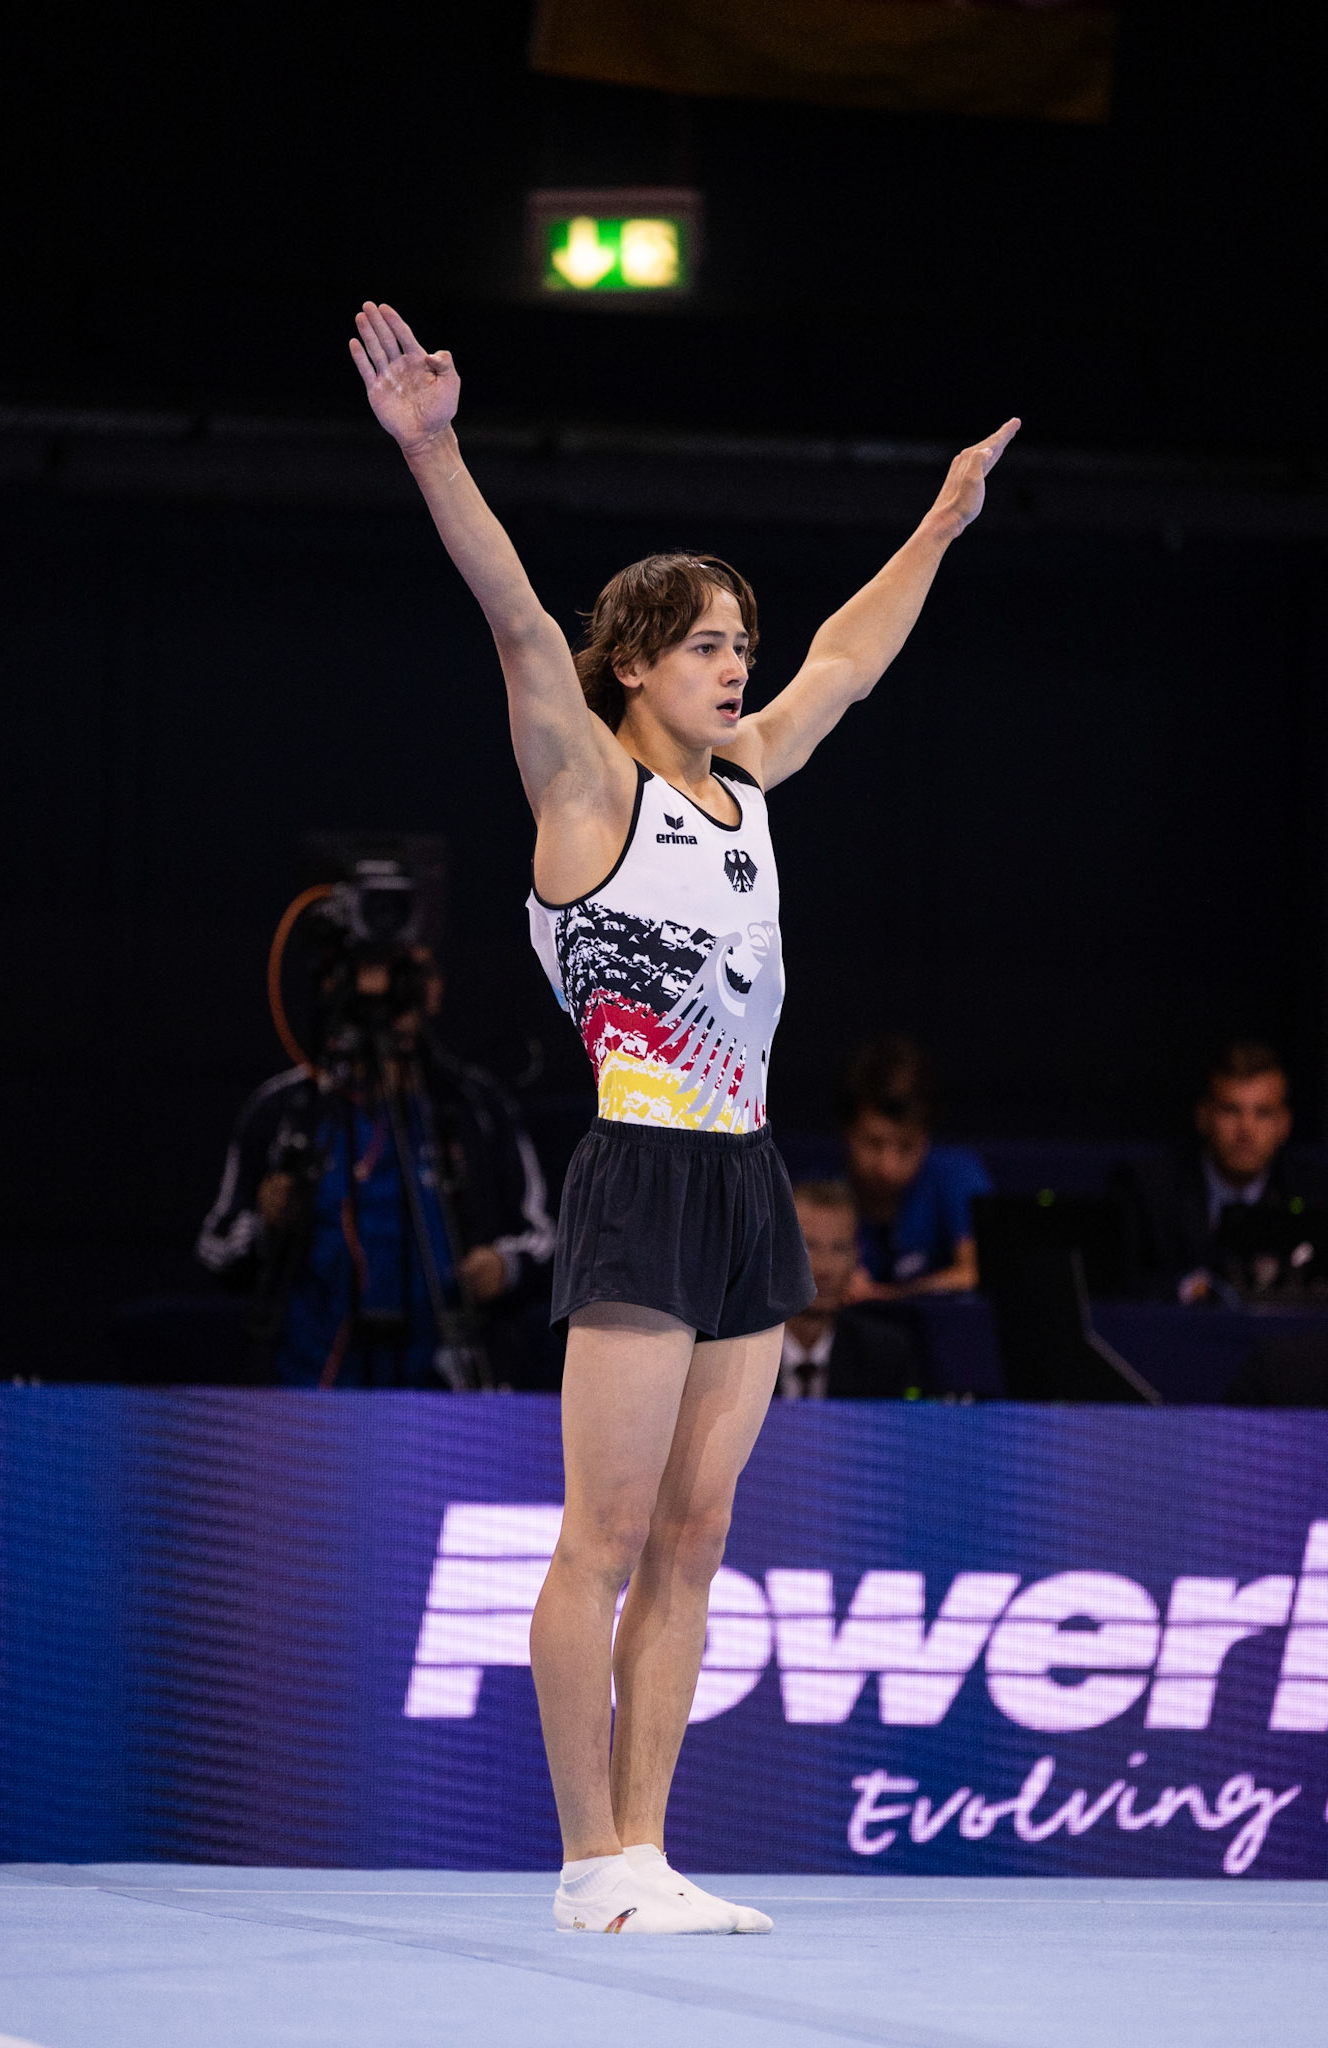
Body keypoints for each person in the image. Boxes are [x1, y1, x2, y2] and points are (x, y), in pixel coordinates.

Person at [350, 297, 1017, 1932]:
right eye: (711, 642)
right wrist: (436, 452)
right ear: (639, 662)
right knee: (606, 1527)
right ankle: (586, 1863)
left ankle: (649, 1850)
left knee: (701, 1530)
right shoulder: (588, 788)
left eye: (743, 640)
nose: (742, 664)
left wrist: (937, 521)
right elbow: (517, 624)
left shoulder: (753, 784)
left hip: (744, 1174)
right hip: (642, 1158)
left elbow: (849, 661)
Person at [197, 946, 556, 1387]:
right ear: (337, 985)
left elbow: (547, 1242)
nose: (390, 990)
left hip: (447, 1400)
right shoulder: (287, 1111)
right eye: (375, 969)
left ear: (434, 989)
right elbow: (216, 1246)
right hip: (307, 1390)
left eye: (410, 973)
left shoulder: (475, 1108)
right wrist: (265, 1225)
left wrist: (504, 1266)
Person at [1112, 1040, 1328, 1303]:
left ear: (1284, 1124)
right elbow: (1119, 1290)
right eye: (1230, 1110)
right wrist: (1192, 1290)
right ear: (1203, 1116)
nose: (1246, 1130)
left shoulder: (1314, 1193)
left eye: (1262, 1113)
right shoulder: (1149, 1189)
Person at [841, 1035, 992, 1298]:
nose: (887, 1167)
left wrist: (881, 1295)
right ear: (847, 1132)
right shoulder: (819, 1194)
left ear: (926, 1137)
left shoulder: (957, 1176)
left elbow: (976, 1273)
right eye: (874, 1144)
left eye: (906, 1147)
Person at [779, 1180, 925, 1398]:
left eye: (839, 1248)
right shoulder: (736, 1354)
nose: (825, 1268)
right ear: (778, 1251)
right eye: (809, 1246)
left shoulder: (886, 1356)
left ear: (857, 1256)